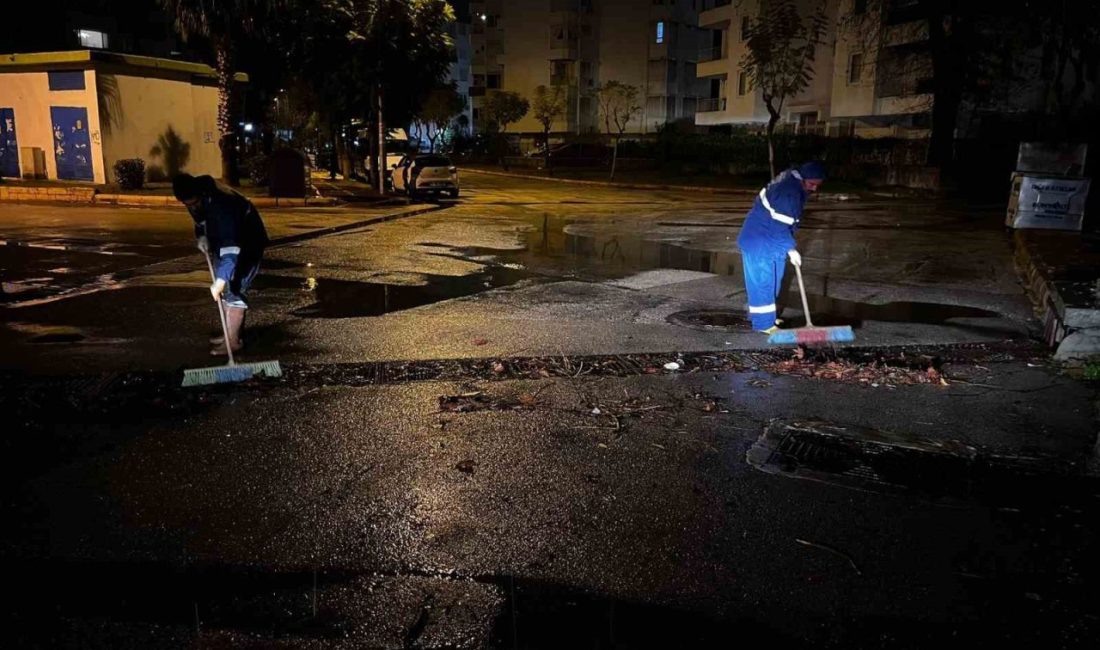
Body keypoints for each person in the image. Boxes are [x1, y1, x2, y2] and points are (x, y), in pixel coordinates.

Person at [172, 173, 269, 355]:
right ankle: (229, 333)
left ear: (200, 194)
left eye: (193, 203)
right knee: (226, 289)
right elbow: (200, 219)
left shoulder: (223, 205)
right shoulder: (197, 197)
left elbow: (231, 248)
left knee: (235, 288)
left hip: (247, 242)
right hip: (225, 241)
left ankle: (233, 342)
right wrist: (201, 236)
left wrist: (221, 280)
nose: (191, 207)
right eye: (187, 204)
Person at [736, 162, 825, 335]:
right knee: (763, 283)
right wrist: (790, 249)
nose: (814, 189)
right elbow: (779, 226)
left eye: (817, 185)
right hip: (760, 241)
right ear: (803, 179)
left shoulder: (794, 184)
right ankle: (763, 324)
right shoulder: (788, 193)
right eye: (812, 184)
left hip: (771, 240)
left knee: (774, 281)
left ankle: (768, 317)